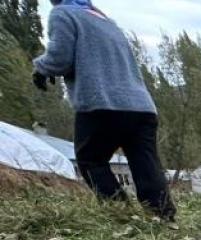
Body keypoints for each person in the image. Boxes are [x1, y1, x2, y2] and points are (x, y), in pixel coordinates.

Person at [32, 0, 175, 220]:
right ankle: (163, 215)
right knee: (145, 162)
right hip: (141, 107)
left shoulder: (63, 14)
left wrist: (41, 68)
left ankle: (121, 213)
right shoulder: (104, 19)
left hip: (102, 103)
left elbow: (59, 59)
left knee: (91, 160)